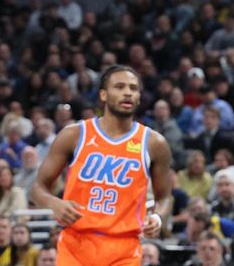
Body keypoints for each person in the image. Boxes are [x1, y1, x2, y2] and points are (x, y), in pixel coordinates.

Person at [31, 66, 173, 265]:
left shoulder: (154, 143)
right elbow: (37, 188)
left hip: (125, 247)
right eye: (120, 87)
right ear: (103, 95)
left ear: (139, 97)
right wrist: (54, 204)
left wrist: (158, 217)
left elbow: (165, 197)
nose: (127, 93)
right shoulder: (74, 134)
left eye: (133, 88)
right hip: (76, 244)